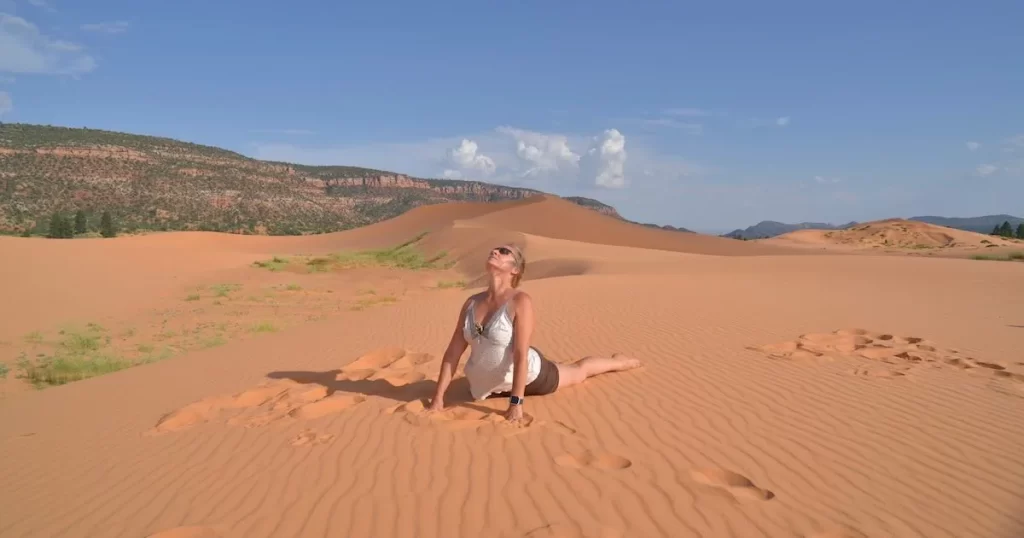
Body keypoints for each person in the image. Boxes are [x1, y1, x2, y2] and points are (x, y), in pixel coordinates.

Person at [427, 243, 642, 422]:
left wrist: (516, 403)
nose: (495, 252)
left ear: (515, 270)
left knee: (578, 371)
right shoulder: (471, 303)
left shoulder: (520, 301)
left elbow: (520, 355)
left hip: (533, 375)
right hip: (486, 387)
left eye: (504, 252)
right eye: (494, 250)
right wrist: (438, 399)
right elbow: (452, 354)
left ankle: (621, 363)